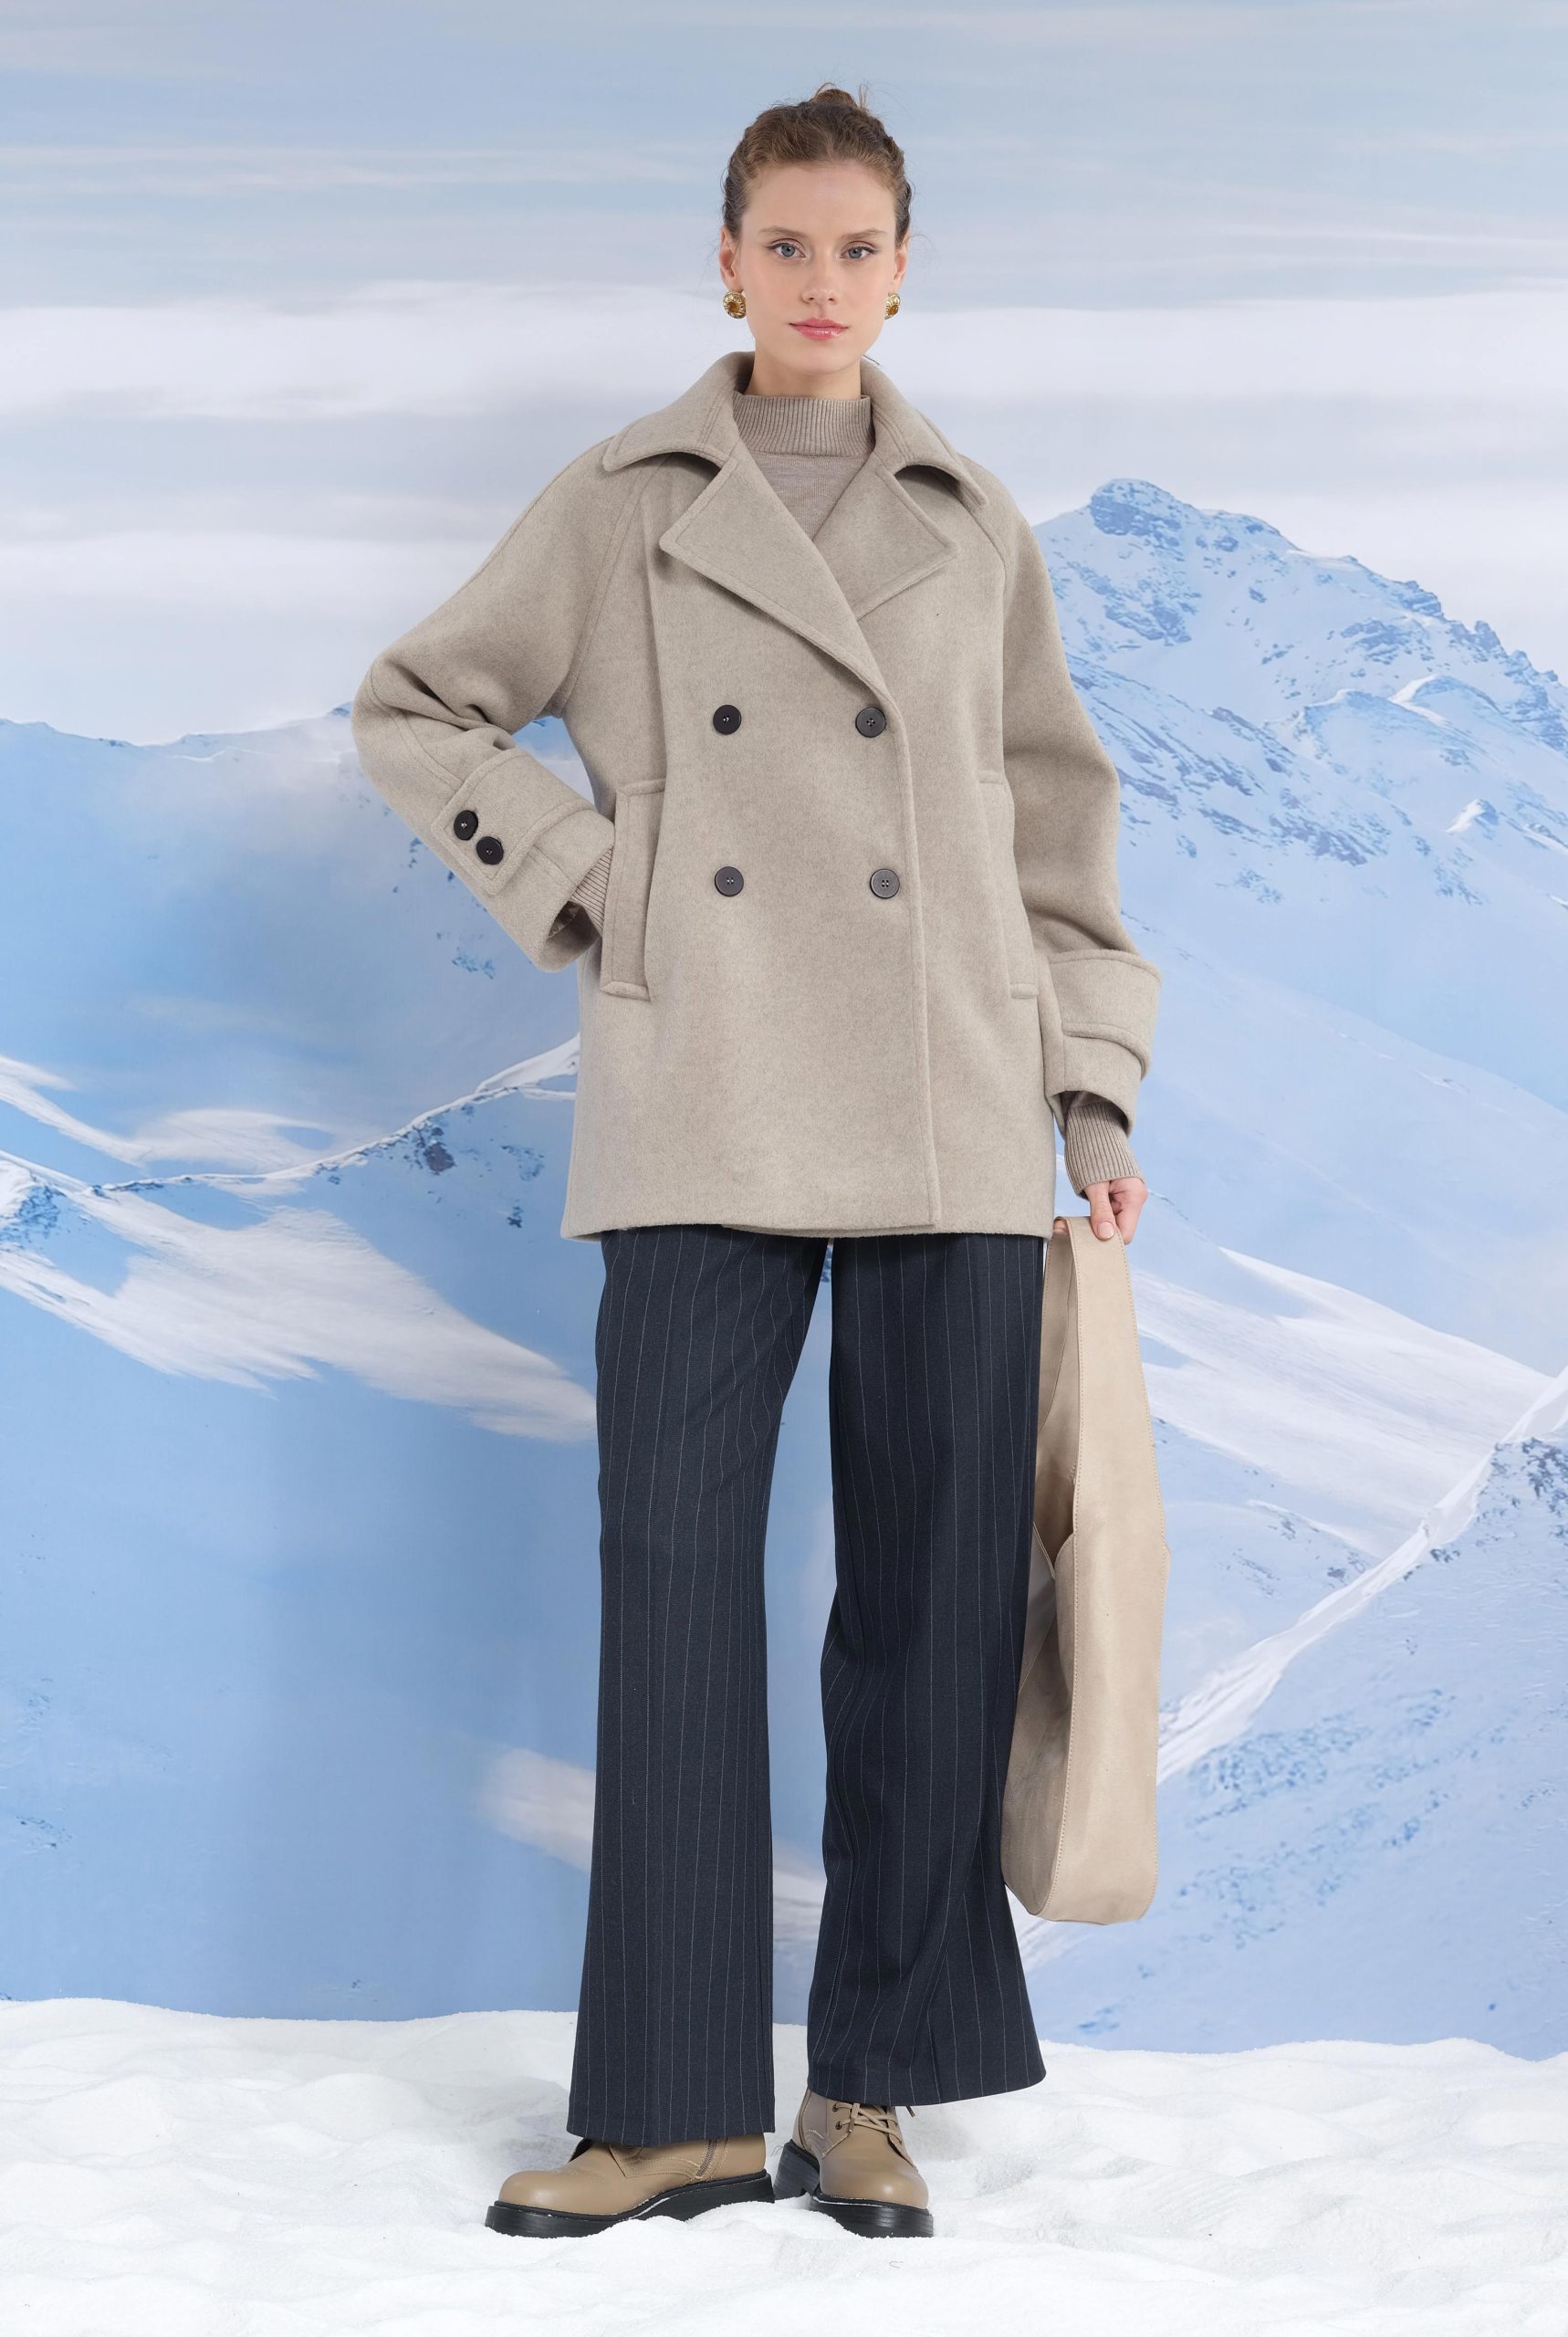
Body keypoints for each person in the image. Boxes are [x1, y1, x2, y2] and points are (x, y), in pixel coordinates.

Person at [350, 80, 1160, 2242]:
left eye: (856, 247)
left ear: (903, 271)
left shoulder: (972, 517)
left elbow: (1057, 826)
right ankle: (670, 2111)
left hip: (949, 1102)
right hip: (701, 1083)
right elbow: (417, 704)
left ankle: (863, 2090)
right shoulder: (623, 500)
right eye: (784, 244)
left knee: (937, 1613)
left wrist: (1091, 1092)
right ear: (724, 263)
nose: (819, 281)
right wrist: (591, 877)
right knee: (677, 1591)